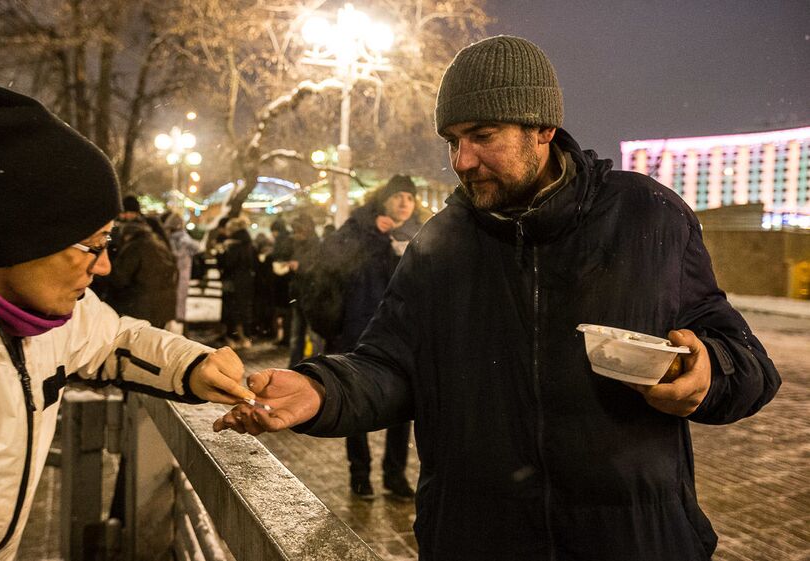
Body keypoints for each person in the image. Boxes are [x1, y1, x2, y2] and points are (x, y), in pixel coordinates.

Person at [213, 36, 782, 560]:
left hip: (633, 541)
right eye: (452, 141)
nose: (462, 160)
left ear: (543, 129)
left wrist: (709, 370)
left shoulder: (647, 217)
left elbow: (747, 358)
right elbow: (390, 365)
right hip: (478, 540)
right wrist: (319, 387)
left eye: (482, 136)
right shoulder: (441, 243)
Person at [0, 70, 256, 561]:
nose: (106, 265)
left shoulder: (49, 314)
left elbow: (114, 340)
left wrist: (194, 366)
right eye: (91, 246)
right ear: (14, 239)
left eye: (108, 242)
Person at [302, 176, 422, 500]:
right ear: (383, 199)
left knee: (403, 409)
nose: (403, 203)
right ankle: (360, 474)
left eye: (408, 198)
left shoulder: (418, 235)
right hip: (357, 332)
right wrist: (375, 235)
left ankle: (394, 475)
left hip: (404, 336)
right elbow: (332, 261)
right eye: (397, 196)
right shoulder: (359, 228)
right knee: (356, 406)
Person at [103, 196, 178, 328]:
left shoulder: (138, 242)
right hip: (159, 304)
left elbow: (120, 276)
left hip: (142, 303)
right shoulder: (153, 237)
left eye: (128, 212)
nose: (125, 216)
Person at [285, 213, 324, 368]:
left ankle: (315, 367)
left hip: (313, 296)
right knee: (296, 335)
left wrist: (299, 266)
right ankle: (294, 366)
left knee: (314, 335)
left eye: (298, 231)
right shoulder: (297, 245)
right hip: (298, 295)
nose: (296, 234)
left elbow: (317, 269)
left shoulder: (317, 245)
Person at [216, 216, 256, 349]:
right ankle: (246, 337)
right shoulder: (249, 242)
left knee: (231, 310)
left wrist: (219, 254)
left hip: (232, 281)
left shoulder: (232, 244)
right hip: (246, 281)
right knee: (244, 309)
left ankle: (233, 337)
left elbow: (227, 264)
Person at [164, 212, 204, 333]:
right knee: (180, 301)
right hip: (184, 273)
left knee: (174, 303)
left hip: (173, 274)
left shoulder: (171, 239)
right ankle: (180, 328)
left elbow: (173, 254)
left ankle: (176, 329)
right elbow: (198, 248)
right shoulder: (185, 238)